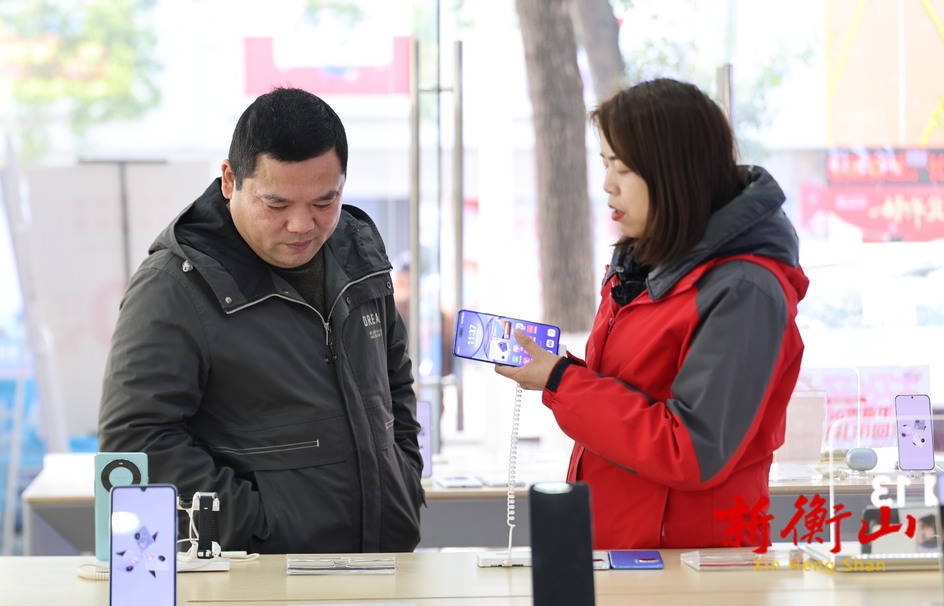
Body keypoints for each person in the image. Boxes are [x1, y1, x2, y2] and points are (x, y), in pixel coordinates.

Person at [97, 87, 424, 554]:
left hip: (382, 560)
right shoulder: (172, 287)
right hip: (258, 572)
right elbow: (136, 442)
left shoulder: (360, 257)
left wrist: (404, 478)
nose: (302, 225)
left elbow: (394, 386)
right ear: (230, 180)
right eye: (276, 205)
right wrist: (255, 525)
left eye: (324, 202)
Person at [496, 78, 810, 550]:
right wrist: (561, 373)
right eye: (606, 164)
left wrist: (564, 381)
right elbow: (632, 396)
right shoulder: (641, 266)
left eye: (622, 168)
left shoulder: (743, 290)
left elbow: (692, 450)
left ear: (673, 172)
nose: (608, 184)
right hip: (626, 548)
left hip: (692, 563)